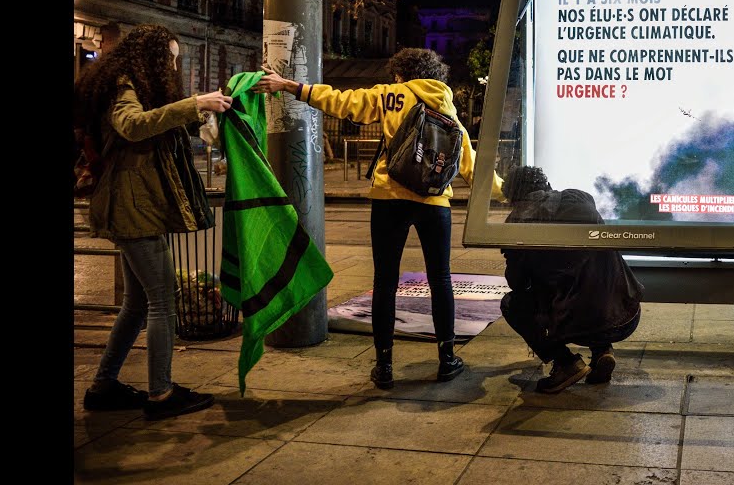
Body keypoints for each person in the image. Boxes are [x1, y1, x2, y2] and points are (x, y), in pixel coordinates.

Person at [253, 48, 503, 388]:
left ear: (400, 74)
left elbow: (341, 101)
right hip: (434, 201)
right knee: (440, 279)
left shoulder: (389, 95)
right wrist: (508, 193)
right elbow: (469, 163)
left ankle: (384, 365)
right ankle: (447, 359)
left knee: (385, 281)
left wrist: (291, 86)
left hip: (389, 197)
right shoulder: (445, 103)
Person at [74, 23, 232, 420]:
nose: (174, 68)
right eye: (171, 60)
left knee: (137, 303)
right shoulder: (124, 85)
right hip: (132, 206)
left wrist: (197, 116)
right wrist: (194, 103)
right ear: (152, 60)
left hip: (133, 204)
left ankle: (104, 386)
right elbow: (132, 125)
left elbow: (152, 126)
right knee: (162, 302)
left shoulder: (130, 83)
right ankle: (161, 393)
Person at [498, 166, 644, 394]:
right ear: (545, 183)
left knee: (512, 304)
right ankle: (602, 351)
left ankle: (566, 364)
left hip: (576, 327)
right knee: (591, 276)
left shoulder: (518, 222)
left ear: (513, 198)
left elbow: (517, 283)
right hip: (626, 314)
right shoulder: (579, 197)